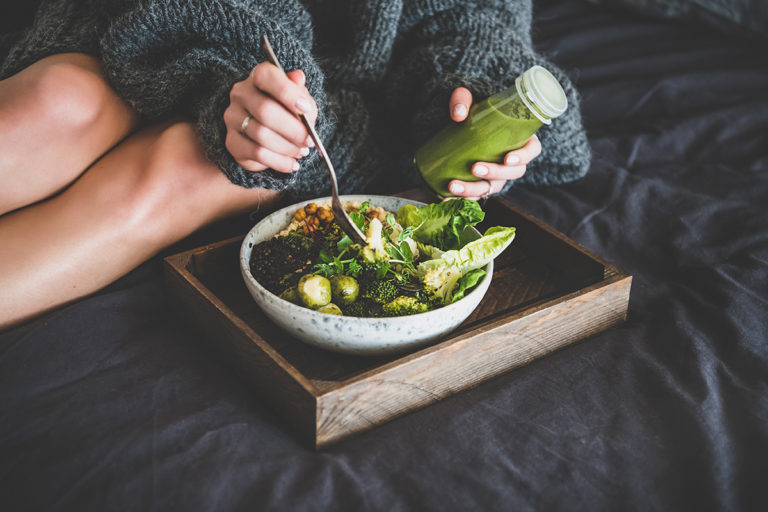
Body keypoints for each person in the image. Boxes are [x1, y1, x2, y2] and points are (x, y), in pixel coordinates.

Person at [0, 0, 591, 329]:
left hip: (334, 103)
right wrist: (236, 67)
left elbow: (470, 18)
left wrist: (473, 102)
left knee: (181, 171)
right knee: (61, 105)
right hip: (163, 22)